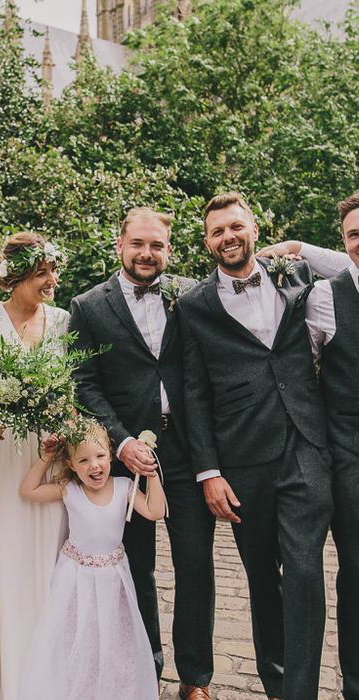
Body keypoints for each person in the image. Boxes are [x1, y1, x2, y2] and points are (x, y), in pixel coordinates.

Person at [179, 192, 346, 700]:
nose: (228, 237)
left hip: (305, 446)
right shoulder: (193, 305)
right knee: (261, 579)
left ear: (254, 227)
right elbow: (193, 393)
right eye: (217, 232)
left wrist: (298, 245)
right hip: (242, 458)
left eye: (236, 226)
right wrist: (209, 472)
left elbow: (351, 268)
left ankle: (300, 693)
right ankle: (276, 685)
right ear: (207, 242)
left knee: (303, 570)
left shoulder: (297, 276)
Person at [69, 207, 215, 699]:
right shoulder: (88, 305)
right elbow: (83, 382)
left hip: (188, 452)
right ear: (120, 246)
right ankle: (144, 673)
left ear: (168, 249)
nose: (147, 253)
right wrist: (122, 442)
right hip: (124, 458)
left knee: (195, 566)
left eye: (157, 245)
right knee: (136, 569)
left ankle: (195, 680)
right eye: (138, 244)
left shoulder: (190, 295)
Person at [0, 232, 69, 700]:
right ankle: (0, 668)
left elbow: (72, 387)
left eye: (53, 271)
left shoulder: (64, 321)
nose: (51, 280)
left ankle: (42, 670)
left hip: (47, 453)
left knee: (45, 553)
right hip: (0, 452)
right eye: (41, 272)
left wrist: (63, 429)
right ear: (17, 275)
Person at [258, 207, 356, 700]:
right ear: (343, 239)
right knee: (318, 572)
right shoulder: (325, 296)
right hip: (333, 452)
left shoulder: (333, 266)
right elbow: (302, 368)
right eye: (353, 234)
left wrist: (299, 248)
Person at [17, 424, 164, 700]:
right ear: (71, 464)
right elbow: (28, 490)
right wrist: (47, 458)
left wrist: (151, 475)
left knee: (111, 637)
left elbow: (155, 511)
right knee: (77, 636)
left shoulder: (124, 487)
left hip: (113, 579)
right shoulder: (68, 489)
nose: (94, 466)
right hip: (75, 578)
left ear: (111, 456)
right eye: (83, 460)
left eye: (99, 457)